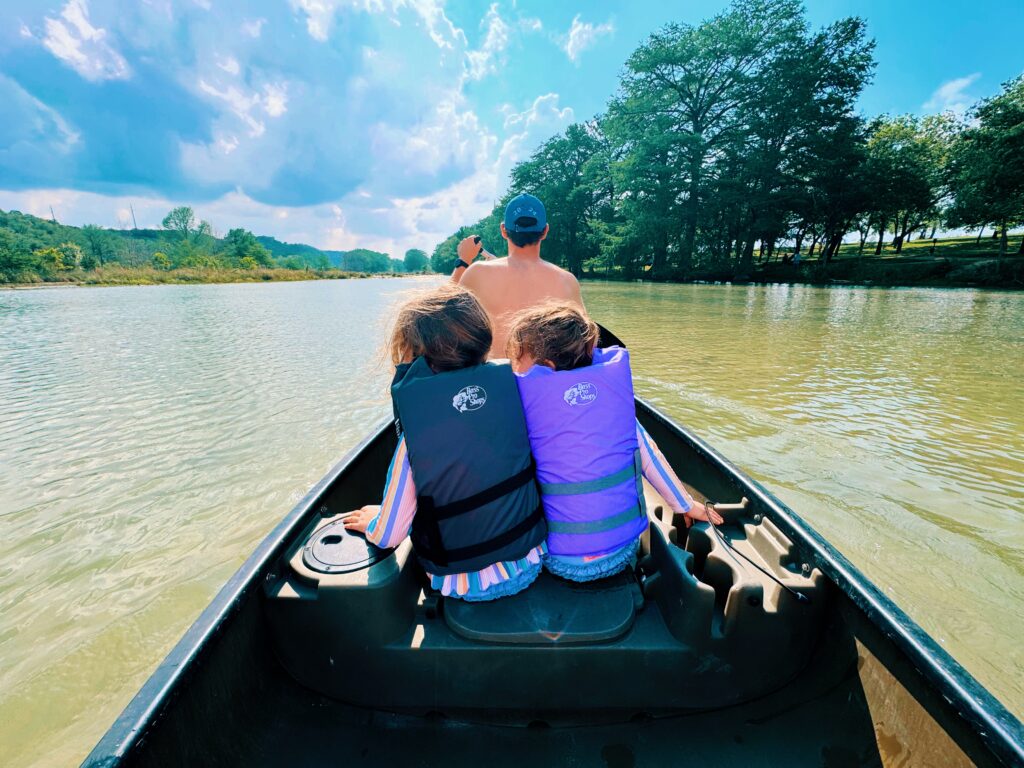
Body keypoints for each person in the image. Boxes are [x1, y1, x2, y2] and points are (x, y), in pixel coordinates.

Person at [343, 285, 547, 600]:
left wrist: (375, 521)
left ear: (413, 357)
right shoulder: (517, 395)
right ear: (482, 342)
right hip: (532, 561)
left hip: (465, 586)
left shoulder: (415, 438)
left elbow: (390, 535)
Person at [506, 302, 723, 582]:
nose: (515, 370)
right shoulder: (618, 408)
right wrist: (685, 505)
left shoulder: (529, 412)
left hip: (559, 559)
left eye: (518, 362)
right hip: (622, 552)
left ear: (546, 366)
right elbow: (651, 458)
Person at [449, 193, 584, 358]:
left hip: (496, 380)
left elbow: (441, 314)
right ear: (545, 231)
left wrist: (463, 260)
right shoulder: (567, 280)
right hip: (541, 381)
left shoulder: (477, 273)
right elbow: (585, 337)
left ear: (504, 230)